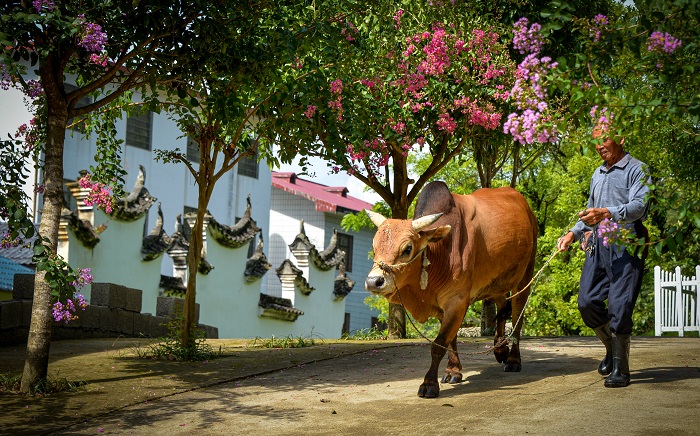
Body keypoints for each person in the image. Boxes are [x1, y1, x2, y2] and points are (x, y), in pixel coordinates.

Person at [557, 125, 650, 388]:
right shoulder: (597, 174)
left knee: (620, 308)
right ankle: (611, 348)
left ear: (620, 139)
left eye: (604, 139)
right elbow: (589, 213)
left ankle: (621, 368)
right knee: (587, 303)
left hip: (626, 245)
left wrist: (606, 213)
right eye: (596, 141)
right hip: (598, 245)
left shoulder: (637, 170)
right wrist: (573, 234)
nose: (599, 145)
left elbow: (639, 207)